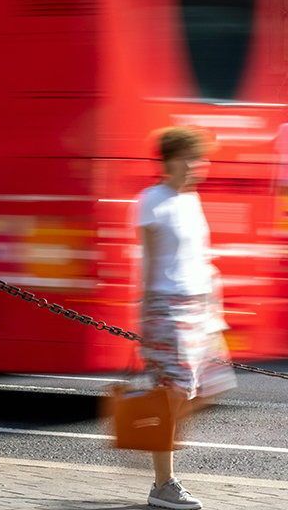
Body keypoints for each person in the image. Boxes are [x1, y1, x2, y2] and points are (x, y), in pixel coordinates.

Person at [136, 126, 236, 510]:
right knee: (173, 392)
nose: (202, 166)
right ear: (174, 160)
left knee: (210, 387)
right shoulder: (152, 201)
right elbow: (147, 263)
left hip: (200, 310)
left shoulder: (192, 200)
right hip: (166, 307)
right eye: (196, 158)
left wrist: (216, 316)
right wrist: (145, 315)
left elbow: (203, 261)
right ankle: (163, 483)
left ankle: (161, 439)